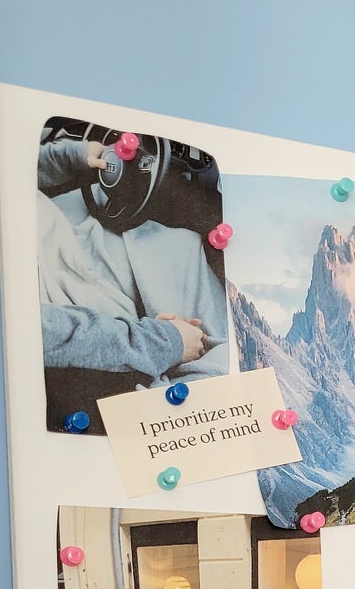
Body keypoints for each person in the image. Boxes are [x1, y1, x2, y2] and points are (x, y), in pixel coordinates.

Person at [36, 135, 224, 400]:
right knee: (183, 246)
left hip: (53, 227)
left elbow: (7, 170)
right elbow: (47, 333)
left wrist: (72, 157)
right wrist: (163, 341)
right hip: (68, 291)